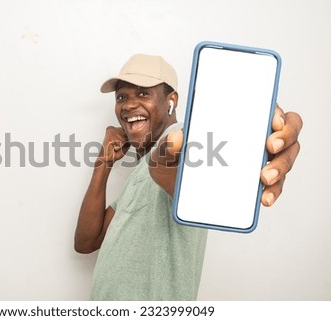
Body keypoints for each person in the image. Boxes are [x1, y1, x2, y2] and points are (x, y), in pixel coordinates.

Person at [74, 54, 302, 300]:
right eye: (121, 97)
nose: (128, 105)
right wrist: (103, 163)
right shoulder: (139, 171)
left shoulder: (179, 140)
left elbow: (196, 155)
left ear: (171, 101)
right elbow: (87, 241)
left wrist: (246, 123)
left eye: (143, 94)